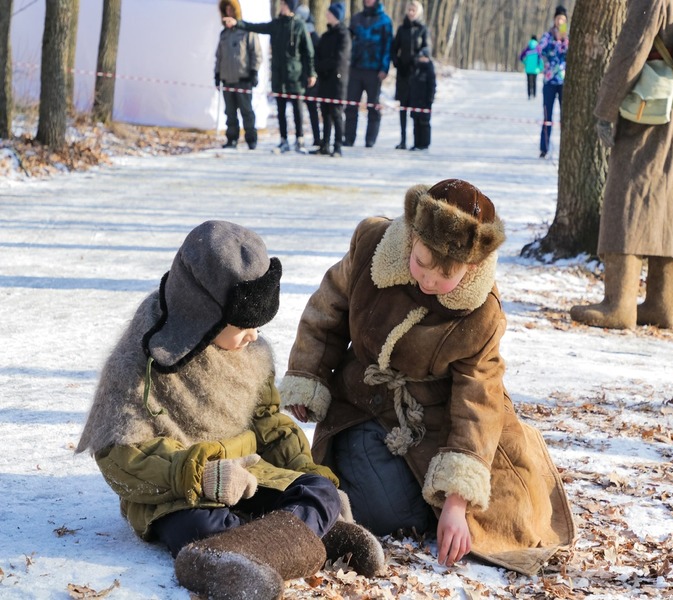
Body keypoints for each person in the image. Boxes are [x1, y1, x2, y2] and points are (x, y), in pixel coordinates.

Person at [279, 180, 575, 575]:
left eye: (446, 273)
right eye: (421, 262)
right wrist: (308, 374)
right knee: (382, 509)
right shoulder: (372, 245)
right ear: (411, 238)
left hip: (438, 422)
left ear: (470, 268)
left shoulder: (481, 313)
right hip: (363, 404)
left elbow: (477, 400)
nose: (430, 280)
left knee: (505, 513)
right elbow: (326, 310)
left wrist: (457, 499)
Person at [75, 220, 384, 600]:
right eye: (244, 325)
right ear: (206, 313)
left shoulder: (249, 351)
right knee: (200, 524)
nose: (255, 335)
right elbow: (119, 457)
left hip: (251, 477)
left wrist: (312, 478)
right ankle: (287, 540)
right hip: (182, 492)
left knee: (320, 489)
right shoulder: (140, 363)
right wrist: (200, 476)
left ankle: (250, 553)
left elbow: (271, 425)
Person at [570, 0, 673, 330]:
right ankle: (661, 305)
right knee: (668, 199)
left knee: (626, 195)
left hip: (647, 107)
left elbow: (631, 51)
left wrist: (606, 109)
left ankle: (619, 304)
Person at [224, 0, 316, 154]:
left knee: (297, 110)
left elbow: (308, 52)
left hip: (295, 76)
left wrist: (311, 72)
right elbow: (256, 27)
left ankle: (299, 139)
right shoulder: (276, 24)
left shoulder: (299, 26)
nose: (281, 7)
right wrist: (237, 23)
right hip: (279, 76)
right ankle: (283, 139)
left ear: (290, 7)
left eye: (284, 5)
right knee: (280, 110)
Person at [343, 0, 393, 148]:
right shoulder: (357, 18)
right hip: (356, 68)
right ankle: (349, 138)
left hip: (375, 70)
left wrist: (384, 68)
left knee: (373, 105)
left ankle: (370, 139)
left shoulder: (385, 21)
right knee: (351, 105)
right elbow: (347, 40)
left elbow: (388, 45)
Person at [215, 0, 263, 150]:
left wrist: (254, 72)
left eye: (231, 10)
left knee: (246, 111)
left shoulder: (246, 31)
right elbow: (219, 57)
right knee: (229, 112)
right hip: (227, 78)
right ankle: (232, 138)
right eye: (226, 10)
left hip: (243, 78)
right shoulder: (223, 34)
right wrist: (217, 75)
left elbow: (256, 53)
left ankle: (251, 139)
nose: (228, 13)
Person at [311, 2, 351, 158]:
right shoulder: (326, 36)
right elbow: (318, 54)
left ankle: (338, 146)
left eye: (329, 13)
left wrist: (322, 66)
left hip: (337, 81)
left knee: (336, 113)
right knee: (325, 113)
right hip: (325, 80)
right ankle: (325, 144)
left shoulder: (344, 35)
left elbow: (340, 59)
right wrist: (318, 67)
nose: (326, 15)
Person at [391, 0, 429, 150]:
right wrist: (396, 62)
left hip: (417, 75)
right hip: (403, 73)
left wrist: (418, 59)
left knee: (415, 110)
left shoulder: (423, 29)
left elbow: (427, 49)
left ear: (418, 12)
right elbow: (394, 48)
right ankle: (403, 140)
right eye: (409, 10)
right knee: (403, 108)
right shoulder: (402, 29)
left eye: (414, 10)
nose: (411, 12)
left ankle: (416, 141)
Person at [536, 6, 569, 158]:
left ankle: (566, 149)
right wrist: (554, 42)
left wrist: (563, 41)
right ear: (555, 20)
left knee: (565, 117)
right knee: (547, 117)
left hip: (564, 82)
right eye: (558, 19)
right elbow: (540, 50)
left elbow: (570, 54)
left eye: (563, 19)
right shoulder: (547, 36)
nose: (560, 21)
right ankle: (544, 148)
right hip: (549, 81)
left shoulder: (568, 38)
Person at [296, 5, 323, 150]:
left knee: (313, 110)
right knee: (299, 109)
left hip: (311, 79)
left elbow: (316, 58)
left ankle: (317, 138)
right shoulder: (297, 34)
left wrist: (313, 74)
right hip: (299, 77)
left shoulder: (314, 37)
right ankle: (300, 137)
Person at [407, 47, 435, 151]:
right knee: (416, 123)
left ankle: (424, 144)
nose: (421, 59)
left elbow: (432, 86)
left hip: (425, 103)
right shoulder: (416, 69)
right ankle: (417, 143)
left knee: (424, 123)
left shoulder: (429, 70)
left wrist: (429, 100)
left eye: (423, 57)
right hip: (415, 101)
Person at [519, 34, 543, 100]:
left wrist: (525, 62)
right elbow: (540, 58)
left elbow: (521, 57)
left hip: (528, 68)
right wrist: (540, 67)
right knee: (534, 82)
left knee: (529, 82)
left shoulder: (527, 48)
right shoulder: (538, 48)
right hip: (535, 69)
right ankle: (534, 95)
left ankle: (529, 95)